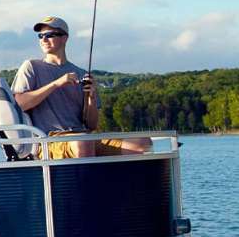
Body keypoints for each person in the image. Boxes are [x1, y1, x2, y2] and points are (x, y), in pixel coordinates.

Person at [11, 16, 150, 159]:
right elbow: (20, 104)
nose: (44, 39)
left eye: (50, 35)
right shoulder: (31, 67)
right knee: (83, 142)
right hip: (50, 141)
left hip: (84, 136)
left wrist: (91, 98)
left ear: (64, 38)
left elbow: (91, 125)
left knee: (142, 143)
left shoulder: (81, 73)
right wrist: (56, 84)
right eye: (40, 36)